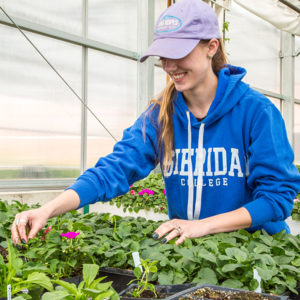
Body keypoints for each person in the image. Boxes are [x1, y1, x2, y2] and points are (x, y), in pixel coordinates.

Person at [11, 0, 300, 247]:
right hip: (190, 251)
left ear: (212, 46)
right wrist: (48, 209)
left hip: (255, 251)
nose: (169, 66)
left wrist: (203, 225)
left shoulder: (256, 112)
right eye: (164, 56)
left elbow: (277, 197)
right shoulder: (159, 114)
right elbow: (113, 170)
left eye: (179, 53)